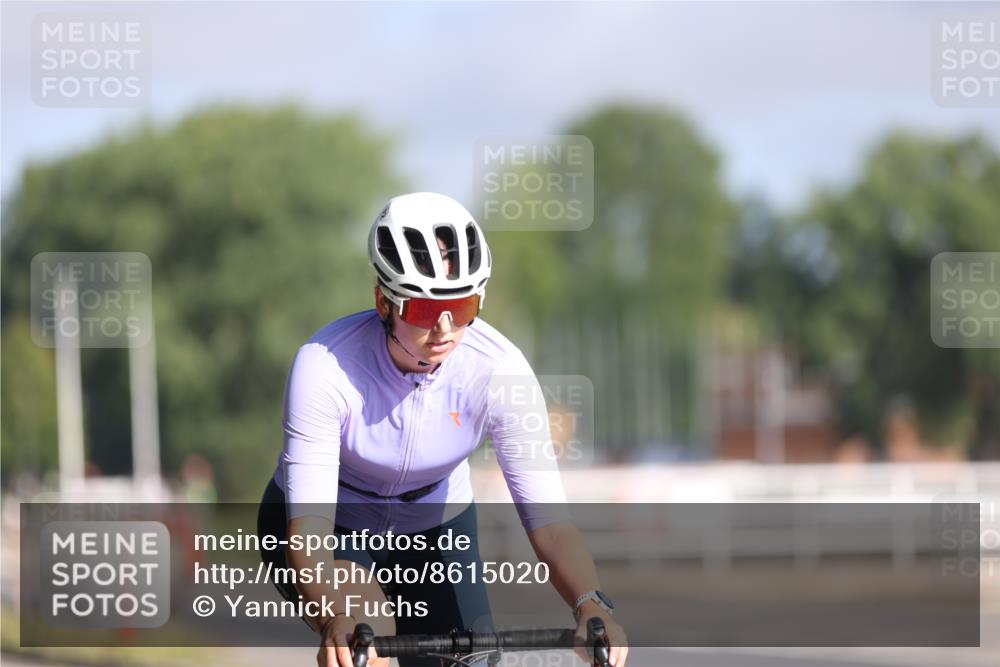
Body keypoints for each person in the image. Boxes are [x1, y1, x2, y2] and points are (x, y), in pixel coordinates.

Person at [257, 193, 628, 667]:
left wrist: (591, 604)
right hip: (336, 528)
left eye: (462, 304)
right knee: (367, 641)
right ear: (383, 302)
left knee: (473, 661)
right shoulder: (326, 365)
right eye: (425, 310)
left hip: (436, 525)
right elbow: (310, 530)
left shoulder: (499, 370)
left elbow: (551, 524)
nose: (446, 329)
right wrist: (334, 614)